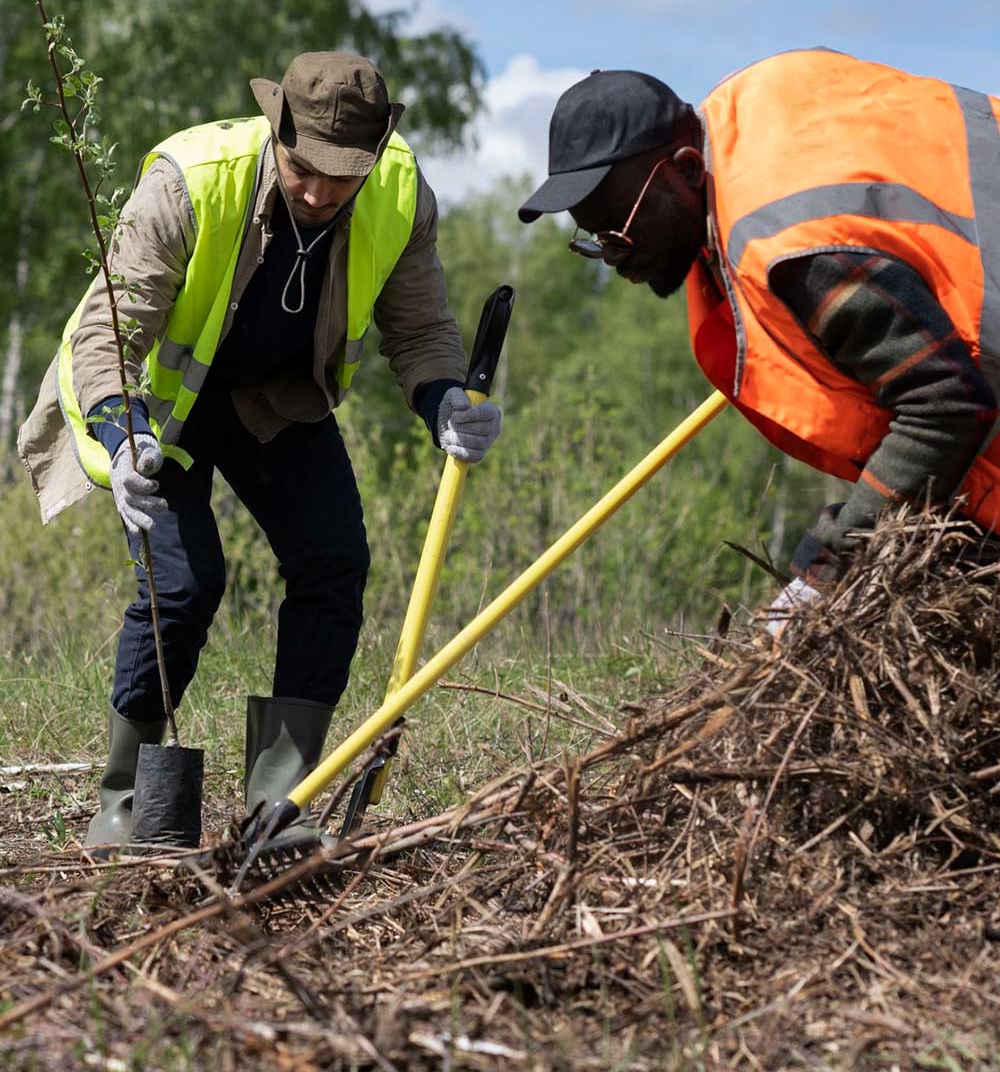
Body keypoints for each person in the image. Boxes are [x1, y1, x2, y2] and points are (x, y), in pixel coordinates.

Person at [18, 51, 502, 846]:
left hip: (277, 406)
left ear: (376, 155)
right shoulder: (190, 179)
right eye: (303, 168)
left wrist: (446, 398)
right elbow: (106, 332)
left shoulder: (401, 196)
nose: (318, 193)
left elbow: (419, 329)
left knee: (334, 559)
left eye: (342, 177)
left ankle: (277, 804)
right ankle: (124, 806)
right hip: (162, 414)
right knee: (184, 585)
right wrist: (121, 431)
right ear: (277, 127)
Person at [518, 49, 1000, 631]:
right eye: (592, 238)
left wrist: (828, 569)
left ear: (689, 169)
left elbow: (944, 405)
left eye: (618, 230)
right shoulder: (749, 125)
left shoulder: (794, 246)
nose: (613, 258)